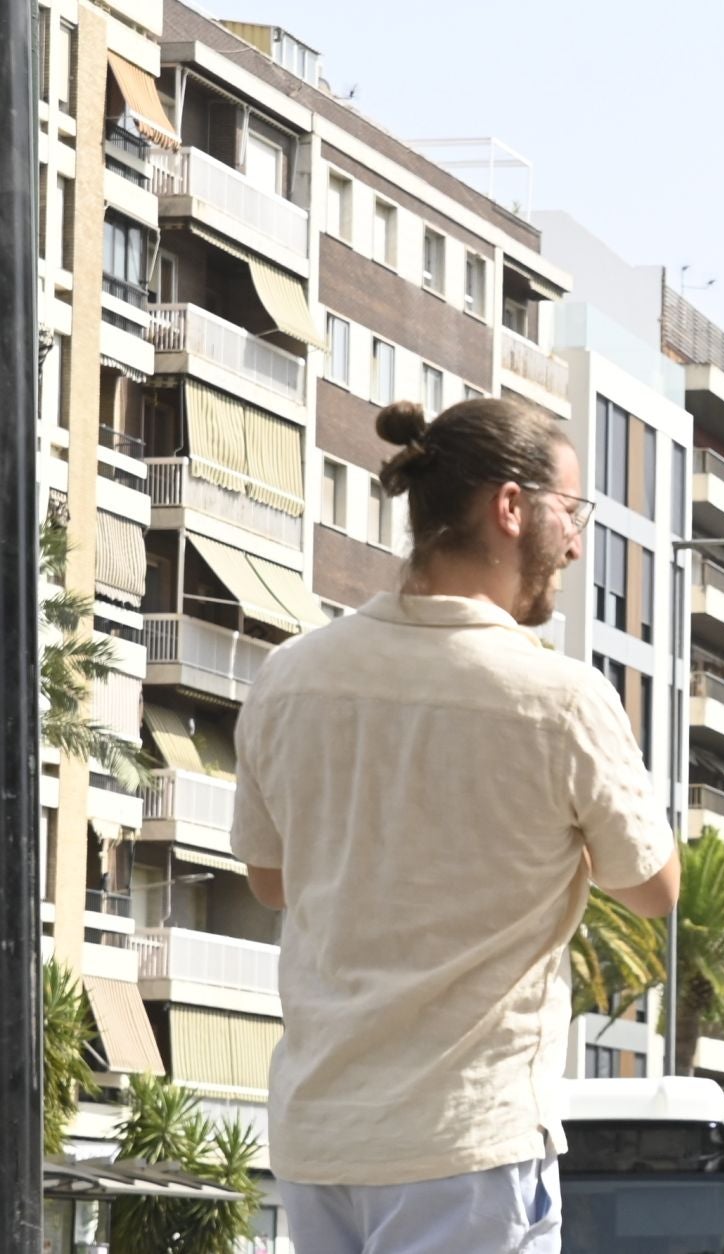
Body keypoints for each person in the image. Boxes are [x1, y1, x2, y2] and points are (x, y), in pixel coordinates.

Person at [231, 397, 679, 1253]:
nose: (576, 545)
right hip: (468, 1142)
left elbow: (270, 879)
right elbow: (654, 889)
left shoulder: (290, 677)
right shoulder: (559, 698)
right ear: (511, 507)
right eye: (571, 513)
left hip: (319, 1138)